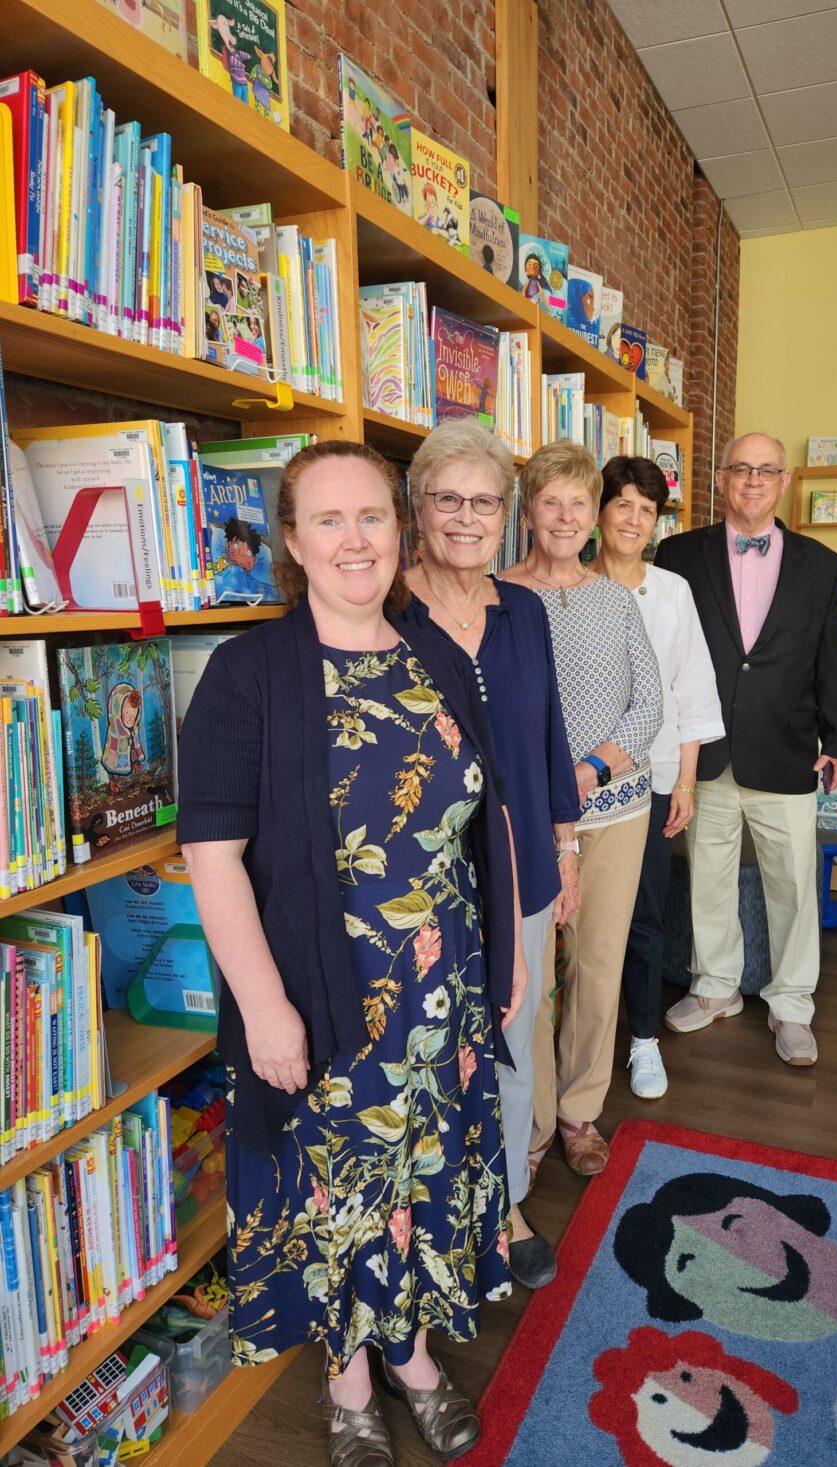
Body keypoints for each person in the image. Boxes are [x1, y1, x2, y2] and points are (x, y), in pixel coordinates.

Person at [178, 439, 528, 1466]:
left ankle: (411, 1355)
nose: (353, 539)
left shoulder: (432, 653)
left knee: (420, 1177)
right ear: (290, 539)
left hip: (444, 983)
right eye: (326, 520)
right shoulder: (250, 674)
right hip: (326, 995)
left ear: (402, 527)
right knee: (336, 1191)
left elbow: (483, 809)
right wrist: (265, 1009)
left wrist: (499, 954)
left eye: (371, 516)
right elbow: (212, 853)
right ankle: (345, 1384)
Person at [397, 419, 581, 1291]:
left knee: (512, 1036)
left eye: (484, 501)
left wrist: (567, 844)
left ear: (507, 515)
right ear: (417, 505)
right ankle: (433, 1215)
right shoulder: (382, 614)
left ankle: (503, 1202)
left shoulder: (526, 612)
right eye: (448, 498)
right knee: (427, 1051)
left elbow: (550, 736)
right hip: (421, 882)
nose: (466, 517)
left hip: (524, 873)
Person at [655, 432, 837, 1067]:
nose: (752, 480)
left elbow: (832, 659)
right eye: (740, 468)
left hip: (786, 747)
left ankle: (792, 1004)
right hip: (706, 749)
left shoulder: (822, 564)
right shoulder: (677, 553)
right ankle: (716, 987)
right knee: (708, 879)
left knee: (794, 884)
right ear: (721, 478)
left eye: (765, 470)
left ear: (785, 480)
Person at [502, 441, 662, 1176]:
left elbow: (649, 704)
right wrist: (548, 788)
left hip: (617, 808)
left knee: (596, 965)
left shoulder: (616, 599)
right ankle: (529, 1122)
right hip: (526, 817)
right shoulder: (497, 596)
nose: (565, 517)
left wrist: (587, 771)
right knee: (528, 974)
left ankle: (578, 1112)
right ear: (528, 508)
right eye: (551, 501)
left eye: (578, 502)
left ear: (593, 514)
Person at [592, 456, 723, 1100]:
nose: (635, 520)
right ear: (600, 510)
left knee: (643, 912)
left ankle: (643, 1039)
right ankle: (581, 1046)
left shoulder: (672, 591)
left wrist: (687, 781)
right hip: (583, 784)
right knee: (579, 921)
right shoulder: (569, 586)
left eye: (648, 510)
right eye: (624, 505)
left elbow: (692, 687)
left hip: (656, 775)